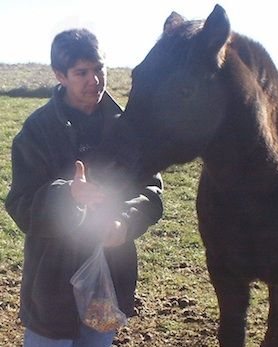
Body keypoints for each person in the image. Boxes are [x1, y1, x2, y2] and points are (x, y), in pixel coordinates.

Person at [5, 28, 163, 347]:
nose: (95, 80)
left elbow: (150, 189)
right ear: (59, 75)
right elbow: (20, 205)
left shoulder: (127, 128)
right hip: (52, 278)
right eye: (82, 72)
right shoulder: (37, 131)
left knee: (98, 339)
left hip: (109, 272)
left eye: (99, 68)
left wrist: (125, 222)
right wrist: (69, 196)